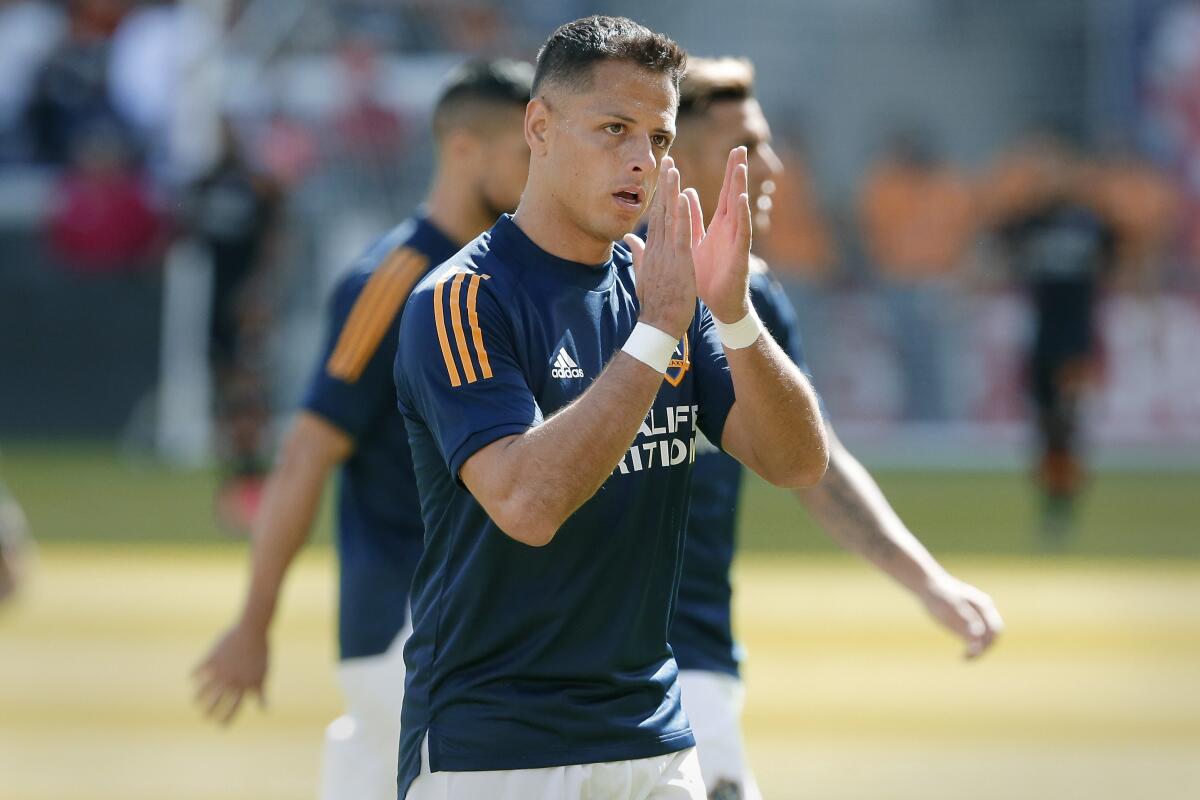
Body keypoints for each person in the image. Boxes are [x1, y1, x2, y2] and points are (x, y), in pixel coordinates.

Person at [393, 16, 828, 800]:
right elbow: (527, 503)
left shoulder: (663, 285)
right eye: (615, 129)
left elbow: (797, 460)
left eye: (659, 139)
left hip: (654, 738)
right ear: (540, 127)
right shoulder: (462, 299)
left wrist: (732, 314)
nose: (642, 159)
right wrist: (657, 332)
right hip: (497, 746)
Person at [191, 59, 535, 800]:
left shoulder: (510, 273)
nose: (540, 170)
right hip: (407, 631)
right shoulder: (394, 278)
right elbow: (307, 454)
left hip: (480, 630)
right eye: (525, 151)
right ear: (464, 147)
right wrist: (255, 624)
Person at [665, 56, 1006, 800]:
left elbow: (813, 460)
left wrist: (925, 579)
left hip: (692, 665)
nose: (776, 166)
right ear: (679, 158)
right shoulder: (585, 291)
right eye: (750, 147)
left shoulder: (753, 304)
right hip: (560, 676)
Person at [988, 132, 1116, 538]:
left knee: (1066, 420)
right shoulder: (1029, 222)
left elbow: (1121, 262)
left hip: (1078, 338)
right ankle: (1053, 497)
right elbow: (993, 250)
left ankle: (1063, 502)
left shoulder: (1092, 221)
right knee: (1044, 424)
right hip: (1042, 338)